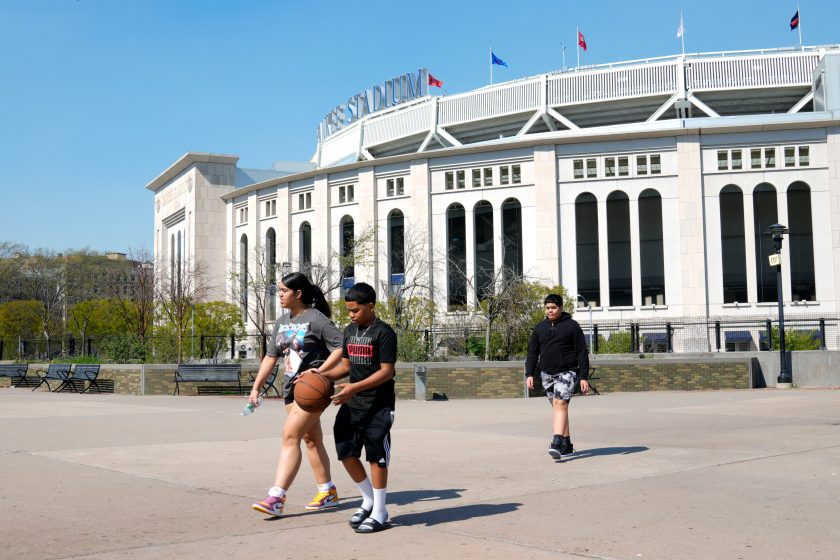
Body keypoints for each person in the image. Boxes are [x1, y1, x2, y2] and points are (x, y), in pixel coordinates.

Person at [250, 272, 345, 517]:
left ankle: (276, 497)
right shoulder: (282, 322)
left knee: (289, 436)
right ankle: (327, 491)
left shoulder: (317, 319)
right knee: (311, 440)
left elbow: (341, 347)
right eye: (279, 290)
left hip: (312, 390)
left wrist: (320, 372)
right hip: (291, 391)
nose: (279, 294)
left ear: (298, 294)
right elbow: (271, 357)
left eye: (284, 290)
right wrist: (256, 387)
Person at [320, 282, 397, 534]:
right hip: (353, 404)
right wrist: (322, 376)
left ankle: (381, 511)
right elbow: (345, 366)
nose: (351, 314)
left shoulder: (384, 333)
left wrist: (353, 388)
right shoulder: (349, 330)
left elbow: (387, 372)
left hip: (378, 405)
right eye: (349, 310)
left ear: (371, 306)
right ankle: (368, 499)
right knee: (346, 451)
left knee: (377, 457)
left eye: (355, 310)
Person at [525, 293, 590, 460]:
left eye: (553, 308)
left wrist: (583, 376)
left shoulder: (572, 326)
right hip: (547, 373)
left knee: (560, 403)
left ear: (560, 308)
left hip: (567, 371)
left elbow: (582, 352)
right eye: (547, 308)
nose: (550, 311)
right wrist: (529, 373)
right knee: (559, 408)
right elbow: (532, 353)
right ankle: (566, 444)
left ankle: (556, 443)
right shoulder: (540, 327)